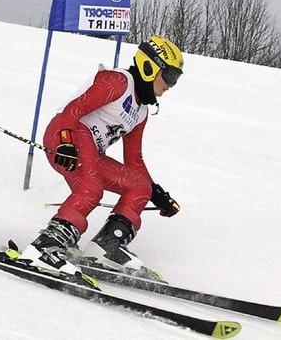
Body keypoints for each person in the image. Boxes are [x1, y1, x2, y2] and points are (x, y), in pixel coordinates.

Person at [13, 35, 183, 285]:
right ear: (150, 66)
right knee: (91, 188)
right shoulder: (117, 81)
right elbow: (74, 109)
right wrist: (67, 141)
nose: (171, 85)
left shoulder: (142, 111)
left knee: (138, 185)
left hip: (90, 151)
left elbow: (134, 160)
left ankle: (107, 247)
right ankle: (45, 247)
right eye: (169, 76)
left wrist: (156, 193)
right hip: (68, 134)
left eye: (176, 79)